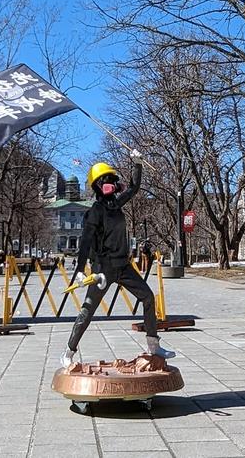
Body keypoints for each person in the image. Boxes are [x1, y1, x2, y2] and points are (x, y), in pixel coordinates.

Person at [61, 150, 175, 367]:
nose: (112, 185)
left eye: (113, 180)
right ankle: (68, 352)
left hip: (123, 265)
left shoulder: (116, 206)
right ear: (98, 186)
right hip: (102, 270)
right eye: (107, 181)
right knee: (88, 311)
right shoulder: (94, 212)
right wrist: (81, 270)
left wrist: (137, 164)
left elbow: (133, 188)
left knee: (148, 297)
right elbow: (85, 243)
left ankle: (153, 346)